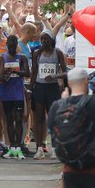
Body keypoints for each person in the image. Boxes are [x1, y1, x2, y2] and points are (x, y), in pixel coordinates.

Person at [30, 28, 67, 159]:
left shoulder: (58, 53)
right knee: (39, 118)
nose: (43, 41)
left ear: (52, 40)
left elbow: (65, 71)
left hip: (53, 88)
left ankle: (54, 148)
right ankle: (39, 148)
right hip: (40, 87)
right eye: (42, 39)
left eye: (46, 38)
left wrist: (55, 76)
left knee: (53, 119)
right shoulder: (37, 53)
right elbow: (34, 73)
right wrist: (30, 88)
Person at [0, 35, 29, 159]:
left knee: (19, 119)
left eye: (13, 45)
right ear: (6, 45)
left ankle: (18, 147)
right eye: (9, 45)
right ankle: (12, 147)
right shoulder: (2, 58)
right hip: (6, 92)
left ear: (16, 45)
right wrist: (5, 74)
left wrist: (15, 71)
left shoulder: (22, 58)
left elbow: (27, 73)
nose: (11, 47)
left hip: (18, 92)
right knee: (9, 120)